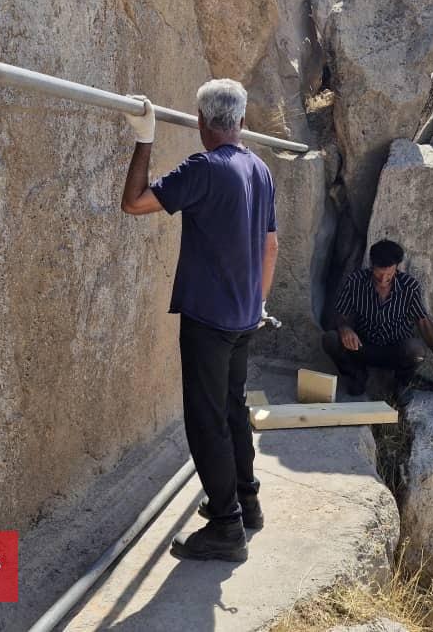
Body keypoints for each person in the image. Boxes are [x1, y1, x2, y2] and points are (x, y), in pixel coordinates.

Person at [120, 79, 278, 563]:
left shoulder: (204, 169)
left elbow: (135, 202)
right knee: (232, 410)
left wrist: (145, 138)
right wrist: (258, 303)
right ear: (242, 121)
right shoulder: (260, 169)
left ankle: (227, 527)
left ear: (201, 122)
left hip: (209, 319)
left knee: (207, 421)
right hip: (245, 316)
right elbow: (271, 245)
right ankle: (247, 503)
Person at [322, 239, 433, 400]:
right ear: (372, 265)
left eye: (389, 273)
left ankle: (402, 383)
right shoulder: (355, 282)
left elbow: (423, 321)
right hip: (363, 347)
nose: (383, 279)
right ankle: (356, 374)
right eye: (379, 273)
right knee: (330, 339)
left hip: (395, 350)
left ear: (396, 267)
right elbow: (340, 314)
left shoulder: (409, 286)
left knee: (416, 350)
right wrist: (345, 329)